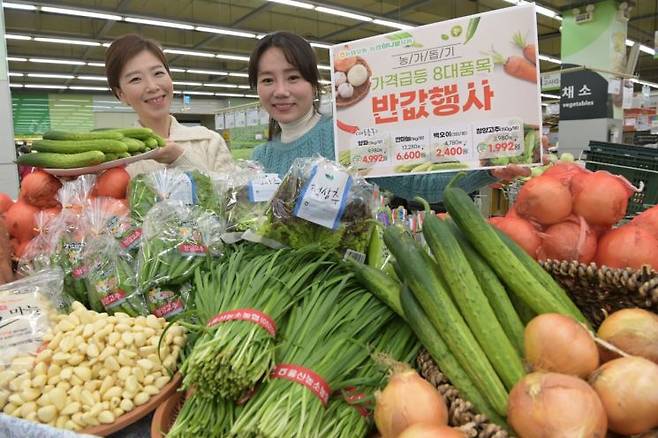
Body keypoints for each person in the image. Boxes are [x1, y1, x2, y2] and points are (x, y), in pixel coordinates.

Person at [249, 31, 530, 205]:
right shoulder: (259, 158)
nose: (281, 91)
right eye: (267, 80)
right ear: (256, 88)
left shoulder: (346, 139)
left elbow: (418, 185)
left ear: (314, 84)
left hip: (343, 288)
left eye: (293, 77)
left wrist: (486, 169)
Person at [105, 34, 234, 176]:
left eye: (158, 73)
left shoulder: (209, 141)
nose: (152, 86)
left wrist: (180, 159)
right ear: (121, 94)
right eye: (135, 79)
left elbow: (233, 194)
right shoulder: (116, 158)